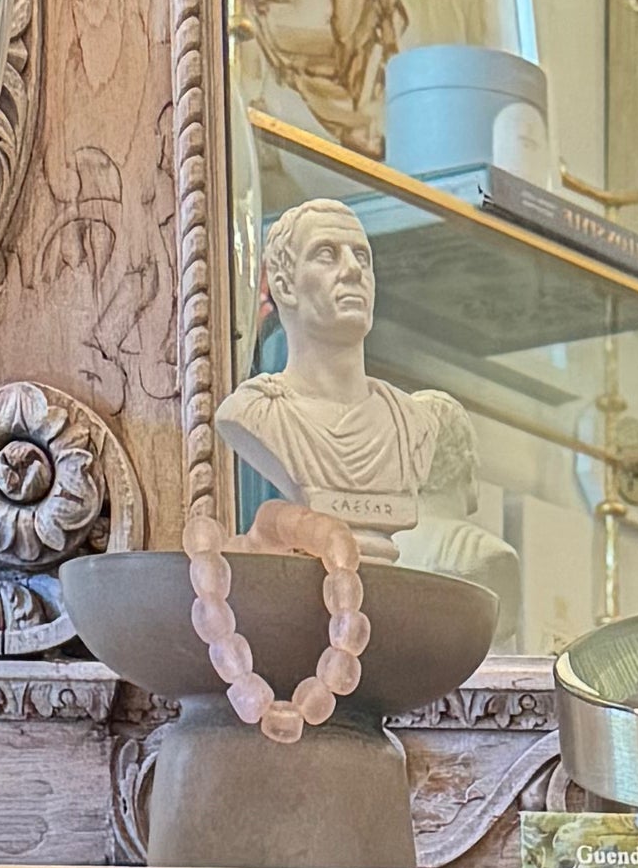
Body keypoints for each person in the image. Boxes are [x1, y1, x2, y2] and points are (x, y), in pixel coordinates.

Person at [220, 199, 518, 633]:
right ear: (284, 284)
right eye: (327, 254)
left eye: (362, 256)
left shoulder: (411, 424)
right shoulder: (254, 412)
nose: (353, 270)